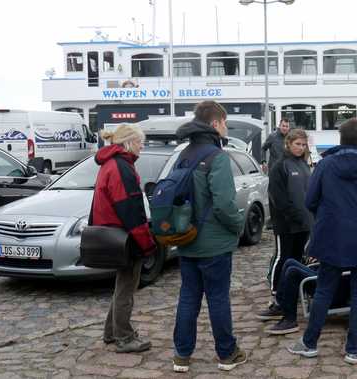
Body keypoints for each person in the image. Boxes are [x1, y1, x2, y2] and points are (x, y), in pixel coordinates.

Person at [287, 118, 357, 365]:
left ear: (340, 138)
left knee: (324, 289)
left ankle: (310, 343)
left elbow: (310, 200)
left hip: (331, 234)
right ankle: (353, 348)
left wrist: (329, 211)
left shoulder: (325, 164)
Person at [171, 101, 247, 373]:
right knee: (217, 298)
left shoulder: (184, 154)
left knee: (188, 297)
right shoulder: (217, 156)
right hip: (214, 243)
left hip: (186, 238)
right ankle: (227, 354)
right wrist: (238, 224)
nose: (226, 127)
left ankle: (181, 355)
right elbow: (225, 204)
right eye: (225, 122)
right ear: (215, 124)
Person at [92, 124, 156, 353]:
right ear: (129, 142)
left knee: (122, 287)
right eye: (140, 142)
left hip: (114, 234)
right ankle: (124, 337)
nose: (142, 146)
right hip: (125, 237)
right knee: (126, 288)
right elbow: (131, 210)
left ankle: (112, 332)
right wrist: (147, 243)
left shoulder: (110, 164)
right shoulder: (122, 167)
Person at [260, 129, 313, 312]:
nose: (300, 148)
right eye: (297, 144)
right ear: (288, 144)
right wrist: (294, 215)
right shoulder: (280, 166)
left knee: (298, 259)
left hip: (304, 223)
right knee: (283, 258)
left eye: (303, 144)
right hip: (286, 224)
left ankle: (293, 292)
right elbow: (278, 199)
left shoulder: (304, 165)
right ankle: (276, 295)